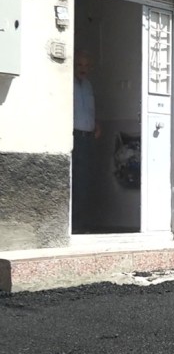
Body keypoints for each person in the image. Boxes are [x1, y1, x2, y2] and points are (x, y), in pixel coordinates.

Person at [72, 49, 99, 233]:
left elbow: (90, 109)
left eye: (86, 65)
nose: (83, 68)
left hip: (88, 137)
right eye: (80, 64)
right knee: (76, 181)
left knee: (87, 181)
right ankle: (75, 225)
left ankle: (84, 224)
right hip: (74, 136)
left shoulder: (88, 85)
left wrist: (97, 124)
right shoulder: (68, 84)